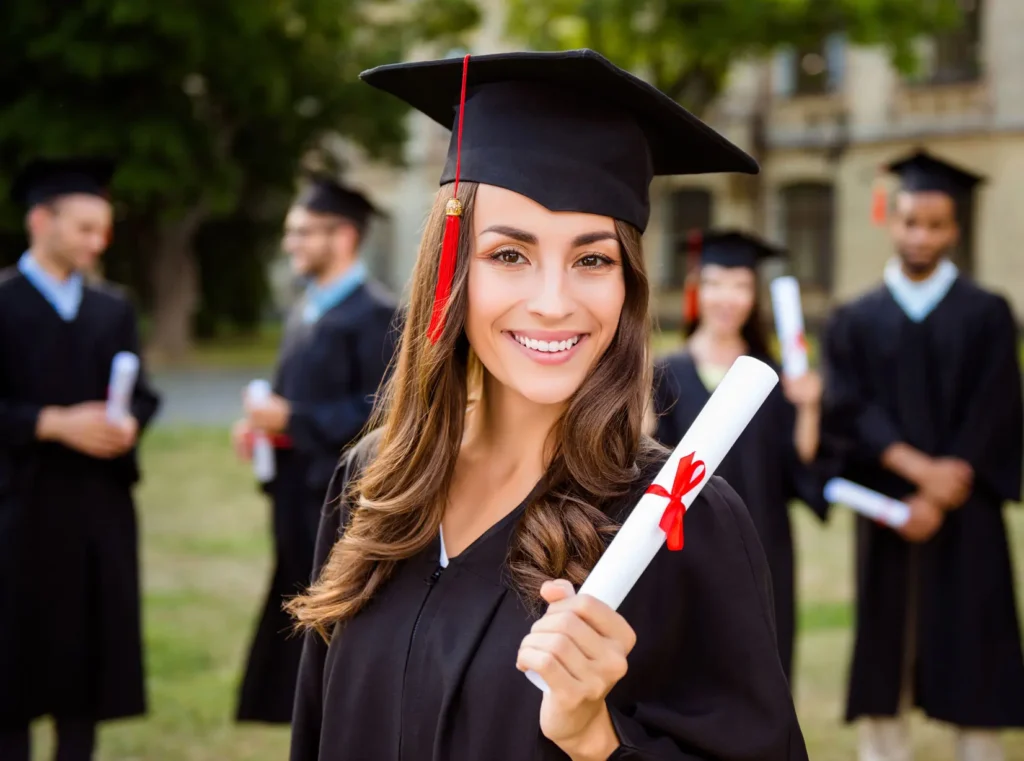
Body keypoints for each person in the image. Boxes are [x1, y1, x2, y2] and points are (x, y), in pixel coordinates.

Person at [285, 49, 808, 761]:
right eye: (509, 254)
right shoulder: (373, 486)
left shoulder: (679, 524)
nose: (555, 302)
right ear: (451, 269)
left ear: (627, 287)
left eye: (592, 259)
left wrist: (597, 738)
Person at [821, 148, 1024, 761]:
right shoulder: (854, 319)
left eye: (935, 225)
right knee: (887, 643)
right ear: (892, 220)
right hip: (889, 508)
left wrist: (946, 483)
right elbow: (847, 409)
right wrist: (917, 473)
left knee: (975, 641)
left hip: (967, 511)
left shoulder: (988, 314)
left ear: (954, 228)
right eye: (911, 221)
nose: (921, 236)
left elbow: (996, 408)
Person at [0, 158, 161, 761]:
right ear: (40, 220)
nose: (99, 242)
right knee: (12, 665)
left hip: (96, 510)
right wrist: (51, 423)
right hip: (19, 508)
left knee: (85, 667)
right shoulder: (5, 304)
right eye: (85, 228)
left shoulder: (111, 309)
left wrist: (126, 425)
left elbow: (142, 394)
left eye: (104, 230)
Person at [232, 176, 398, 724]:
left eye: (303, 232)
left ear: (344, 236)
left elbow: (384, 409)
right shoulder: (307, 309)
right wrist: (264, 429)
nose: (291, 244)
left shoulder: (375, 313)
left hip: (342, 500)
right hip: (294, 493)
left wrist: (294, 419)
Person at [651, 230, 827, 683]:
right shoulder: (664, 374)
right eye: (714, 283)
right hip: (686, 550)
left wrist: (807, 406)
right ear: (697, 289)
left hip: (763, 543)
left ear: (754, 296)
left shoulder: (775, 376)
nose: (727, 297)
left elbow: (800, 469)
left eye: (741, 286)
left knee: (763, 668)